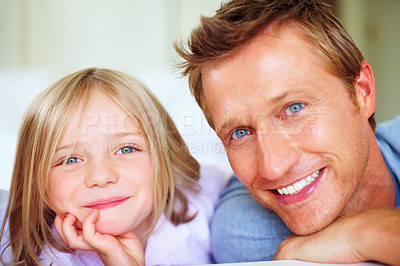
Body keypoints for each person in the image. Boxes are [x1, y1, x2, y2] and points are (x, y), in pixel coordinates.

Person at [174, 0, 400, 264]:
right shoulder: (248, 233)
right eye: (239, 133)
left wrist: (361, 233)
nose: (273, 168)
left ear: (362, 91)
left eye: (294, 109)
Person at [0, 67, 225, 265]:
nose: (101, 176)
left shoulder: (202, 198)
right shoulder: (36, 254)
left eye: (126, 149)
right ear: (35, 181)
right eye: (70, 159)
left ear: (166, 158)